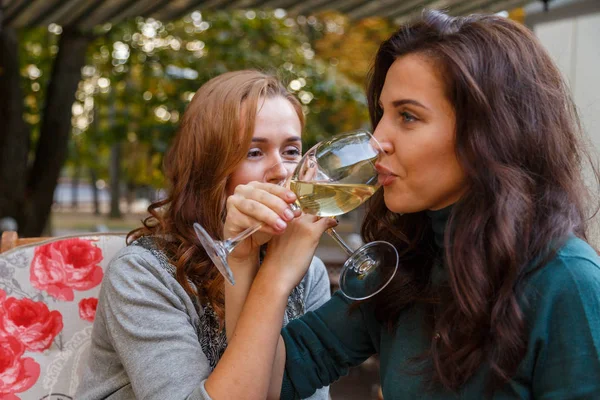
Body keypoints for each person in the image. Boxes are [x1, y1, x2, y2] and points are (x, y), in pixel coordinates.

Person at [223, 10, 600, 399]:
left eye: (407, 116)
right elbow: (266, 386)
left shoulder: (565, 280)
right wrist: (254, 266)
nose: (376, 140)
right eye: (383, 113)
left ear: (487, 132)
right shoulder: (402, 265)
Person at [76, 70, 334, 400]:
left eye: (291, 151)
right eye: (254, 152)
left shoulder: (306, 272)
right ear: (208, 167)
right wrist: (268, 274)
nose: (281, 171)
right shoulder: (143, 274)